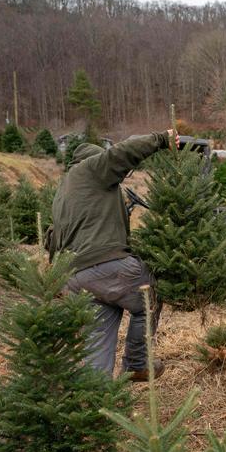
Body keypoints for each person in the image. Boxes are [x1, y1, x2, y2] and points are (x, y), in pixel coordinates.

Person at [46, 129, 178, 381]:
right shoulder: (90, 169)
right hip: (103, 264)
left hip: (75, 276)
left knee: (99, 335)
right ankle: (137, 363)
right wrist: (162, 139)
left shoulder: (65, 190)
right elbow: (123, 151)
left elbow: (53, 237)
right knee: (149, 293)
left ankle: (97, 394)